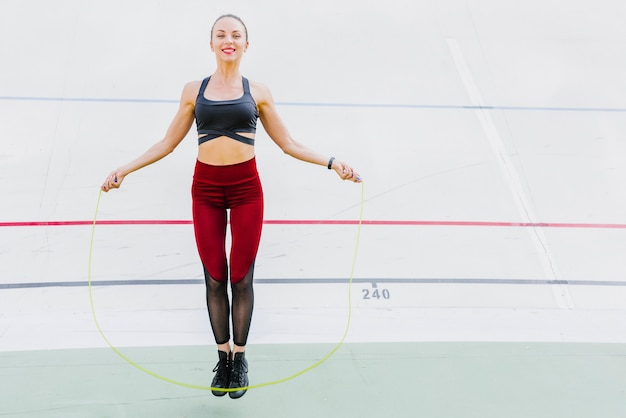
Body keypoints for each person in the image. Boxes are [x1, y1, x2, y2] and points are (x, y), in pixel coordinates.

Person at [101, 13, 361, 400]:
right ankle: (222, 358)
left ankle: (239, 359)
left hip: (245, 190)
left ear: (245, 44)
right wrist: (124, 169)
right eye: (221, 34)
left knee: (241, 275)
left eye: (236, 35)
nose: (229, 40)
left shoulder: (258, 91)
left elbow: (289, 143)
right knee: (214, 276)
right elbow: (167, 143)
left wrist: (332, 162)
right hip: (205, 190)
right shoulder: (194, 90)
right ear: (211, 44)